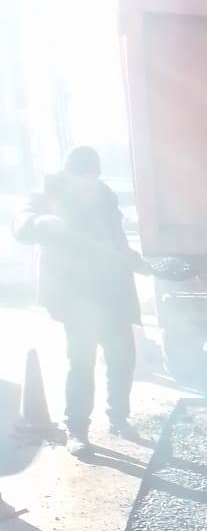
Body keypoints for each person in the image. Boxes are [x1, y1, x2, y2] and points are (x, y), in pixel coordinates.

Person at [12, 146, 152, 456]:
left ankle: (119, 418)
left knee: (121, 360)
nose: (88, 186)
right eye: (82, 180)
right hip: (77, 298)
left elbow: (116, 243)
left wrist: (137, 262)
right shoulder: (49, 195)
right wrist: (42, 222)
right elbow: (20, 224)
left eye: (92, 180)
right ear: (68, 175)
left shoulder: (105, 197)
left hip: (113, 293)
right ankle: (77, 430)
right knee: (81, 364)